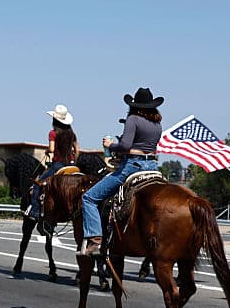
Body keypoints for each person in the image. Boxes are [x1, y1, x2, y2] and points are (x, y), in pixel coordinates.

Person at [80, 88, 163, 255]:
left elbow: (125, 146)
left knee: (88, 198)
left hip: (132, 166)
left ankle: (95, 240)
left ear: (135, 105)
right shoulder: (157, 124)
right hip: (153, 167)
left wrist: (110, 145)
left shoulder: (133, 119)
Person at [26, 104, 79, 220]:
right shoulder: (72, 134)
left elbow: (51, 149)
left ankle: (34, 212)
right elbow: (77, 150)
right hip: (71, 165)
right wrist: (74, 162)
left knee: (38, 185)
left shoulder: (53, 133)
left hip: (58, 165)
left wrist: (46, 151)